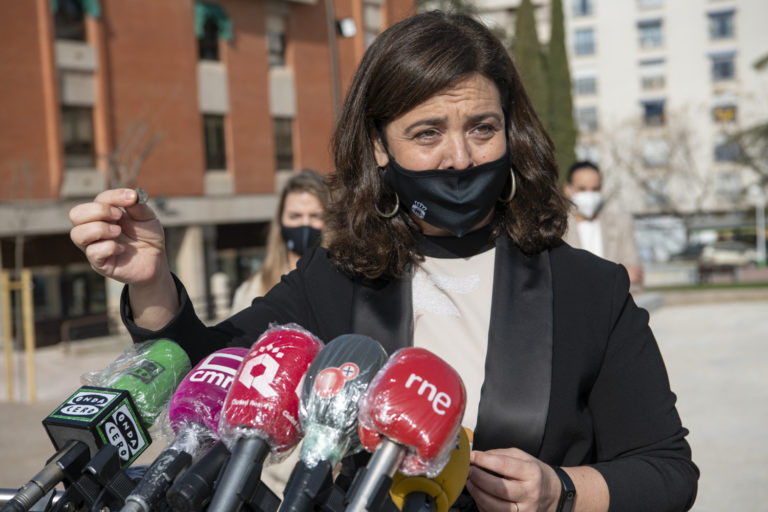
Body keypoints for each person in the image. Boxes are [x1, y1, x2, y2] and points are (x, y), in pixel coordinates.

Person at [69, 11, 698, 512]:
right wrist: (150, 282)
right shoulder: (335, 277)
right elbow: (212, 379)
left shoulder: (590, 288)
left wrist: (560, 491)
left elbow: (667, 471)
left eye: (482, 127)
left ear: (512, 131)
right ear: (378, 145)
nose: (460, 157)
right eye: (427, 134)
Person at [230, 169, 329, 313]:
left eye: (315, 216)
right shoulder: (253, 290)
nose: (305, 223)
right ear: (280, 221)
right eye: (295, 216)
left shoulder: (343, 283)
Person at [562, 161, 644, 287]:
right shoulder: (558, 228)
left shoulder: (621, 224)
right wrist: (618, 276)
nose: (589, 194)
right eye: (582, 189)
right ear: (568, 189)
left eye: (595, 189)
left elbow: (636, 276)